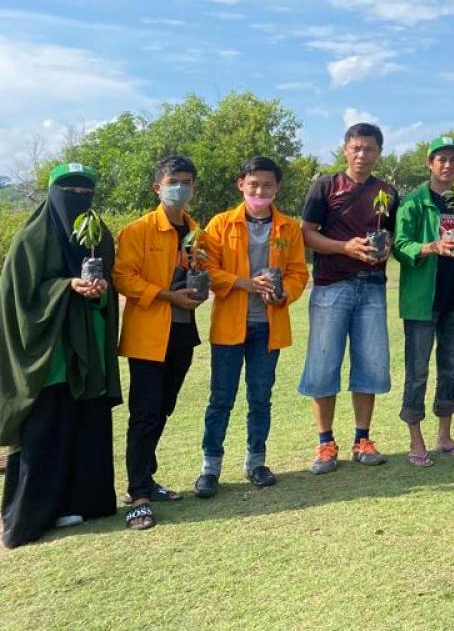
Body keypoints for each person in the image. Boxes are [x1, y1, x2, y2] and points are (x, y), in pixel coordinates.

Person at [0, 164, 121, 549]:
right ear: (52, 193)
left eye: (86, 192)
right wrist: (67, 286)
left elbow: (109, 286)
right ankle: (32, 517)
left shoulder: (98, 235)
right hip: (49, 355)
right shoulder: (30, 240)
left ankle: (84, 504)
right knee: (46, 430)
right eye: (69, 191)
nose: (78, 198)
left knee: (86, 425)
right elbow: (19, 300)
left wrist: (100, 291)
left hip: (89, 349)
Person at [194, 156, 309, 498]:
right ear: (241, 184)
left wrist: (283, 294)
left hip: (268, 328)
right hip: (230, 325)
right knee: (221, 399)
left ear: (277, 188)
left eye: (267, 185)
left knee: (261, 398)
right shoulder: (220, 224)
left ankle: (256, 462)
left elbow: (298, 272)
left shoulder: (289, 228)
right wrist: (244, 283)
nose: (260, 191)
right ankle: (210, 468)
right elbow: (206, 268)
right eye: (254, 184)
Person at [298, 123, 400, 473]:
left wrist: (382, 248)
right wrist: (345, 247)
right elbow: (307, 235)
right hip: (331, 286)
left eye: (369, 149)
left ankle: (362, 439)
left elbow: (391, 236)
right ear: (345, 149)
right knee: (323, 364)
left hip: (372, 287)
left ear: (379, 153)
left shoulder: (387, 192)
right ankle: (325, 443)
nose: (362, 155)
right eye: (356, 148)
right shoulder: (325, 186)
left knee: (370, 364)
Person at [114, 154, 206, 530]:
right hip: (149, 336)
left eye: (187, 181)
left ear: (194, 187)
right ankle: (138, 495)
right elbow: (123, 277)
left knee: (164, 407)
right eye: (173, 182)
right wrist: (167, 296)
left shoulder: (195, 230)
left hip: (182, 332)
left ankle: (147, 478)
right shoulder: (137, 231)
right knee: (145, 412)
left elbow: (199, 269)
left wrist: (199, 289)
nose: (180, 188)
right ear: (157, 187)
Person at [393, 137, 454, 468]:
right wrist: (431, 247)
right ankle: (416, 441)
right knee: (417, 371)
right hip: (421, 304)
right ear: (429, 164)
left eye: (453, 160)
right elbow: (399, 246)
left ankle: (444, 437)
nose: (447, 165)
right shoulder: (414, 203)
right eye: (441, 159)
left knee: (452, 370)